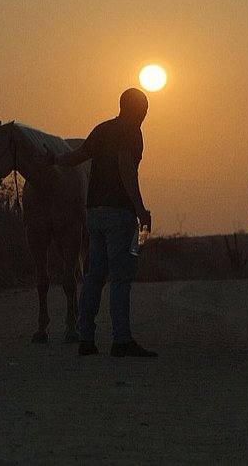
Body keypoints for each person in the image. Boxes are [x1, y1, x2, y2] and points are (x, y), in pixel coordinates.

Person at [43, 88, 156, 357]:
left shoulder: (102, 129)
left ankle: (86, 338)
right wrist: (140, 208)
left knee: (94, 276)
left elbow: (77, 156)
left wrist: (54, 159)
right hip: (119, 214)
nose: (145, 115)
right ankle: (121, 339)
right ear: (136, 110)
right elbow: (126, 167)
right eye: (144, 110)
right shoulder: (132, 132)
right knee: (120, 277)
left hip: (93, 213)